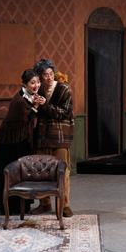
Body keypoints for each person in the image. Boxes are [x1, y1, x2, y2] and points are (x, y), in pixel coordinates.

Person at [0, 69, 45, 214]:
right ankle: (11, 206)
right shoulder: (20, 100)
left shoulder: (29, 96)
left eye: (38, 82)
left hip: (20, 140)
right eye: (32, 83)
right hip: (10, 143)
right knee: (12, 172)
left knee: (22, 172)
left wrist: (39, 103)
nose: (36, 85)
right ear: (25, 84)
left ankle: (23, 204)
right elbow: (25, 120)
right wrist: (36, 106)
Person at [31, 59, 75, 217]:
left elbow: (64, 113)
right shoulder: (39, 89)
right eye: (45, 75)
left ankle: (64, 205)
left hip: (60, 136)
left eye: (50, 73)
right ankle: (44, 203)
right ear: (40, 76)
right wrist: (36, 105)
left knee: (62, 171)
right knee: (41, 171)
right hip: (42, 137)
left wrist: (45, 105)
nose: (49, 77)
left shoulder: (64, 89)